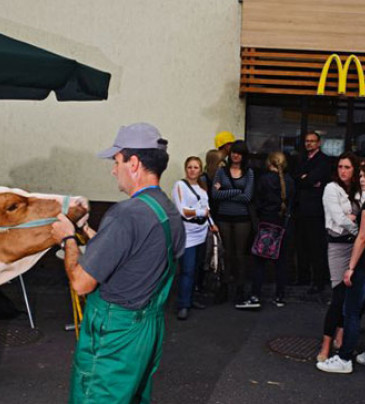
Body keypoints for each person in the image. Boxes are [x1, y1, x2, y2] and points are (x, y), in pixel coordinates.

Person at [51, 122, 186, 403]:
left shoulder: (126, 214)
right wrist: (87, 232)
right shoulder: (169, 212)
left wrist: (68, 239)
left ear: (133, 163)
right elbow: (133, 255)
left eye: (117, 161)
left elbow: (81, 284)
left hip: (114, 330)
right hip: (147, 328)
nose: (114, 169)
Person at [316, 160, 365, 374]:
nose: (361, 179)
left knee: (351, 310)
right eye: (359, 176)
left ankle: (344, 358)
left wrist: (350, 267)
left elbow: (362, 237)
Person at [316, 152, 365, 362]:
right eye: (340, 167)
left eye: (347, 167)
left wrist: (355, 221)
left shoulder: (360, 190)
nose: (343, 171)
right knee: (338, 295)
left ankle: (341, 335)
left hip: (356, 247)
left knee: (352, 295)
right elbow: (338, 218)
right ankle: (326, 345)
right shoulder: (331, 188)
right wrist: (357, 229)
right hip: (338, 245)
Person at [236, 151, 294, 309]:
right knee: (281, 262)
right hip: (284, 224)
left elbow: (257, 202)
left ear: (269, 163)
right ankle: (280, 296)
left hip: (267, 222)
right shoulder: (289, 181)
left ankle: (255, 295)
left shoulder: (264, 180)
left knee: (259, 261)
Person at [172, 156, 217, 320]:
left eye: (196, 167)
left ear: (200, 170)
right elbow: (182, 210)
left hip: (202, 232)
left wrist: (211, 223)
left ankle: (190, 300)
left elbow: (207, 208)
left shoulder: (202, 187)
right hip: (187, 234)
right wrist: (200, 213)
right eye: (190, 167)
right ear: (186, 169)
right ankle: (183, 305)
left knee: (197, 269)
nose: (192, 170)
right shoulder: (179, 185)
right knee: (187, 270)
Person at [212, 140, 255, 303]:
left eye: (239, 153)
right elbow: (214, 195)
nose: (236, 155)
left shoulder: (249, 172)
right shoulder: (221, 171)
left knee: (240, 255)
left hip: (242, 219)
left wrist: (225, 191)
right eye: (233, 152)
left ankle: (240, 288)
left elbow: (248, 197)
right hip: (223, 217)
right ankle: (223, 288)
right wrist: (238, 191)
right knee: (226, 254)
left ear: (244, 155)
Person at [294, 132, 332, 293]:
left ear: (319, 143)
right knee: (302, 245)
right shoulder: (301, 159)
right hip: (301, 209)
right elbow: (297, 178)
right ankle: (303, 277)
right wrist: (306, 180)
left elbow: (311, 179)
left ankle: (318, 281)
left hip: (316, 210)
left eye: (312, 141)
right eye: (307, 141)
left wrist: (307, 179)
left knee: (316, 247)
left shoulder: (323, 160)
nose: (309, 144)